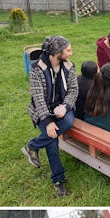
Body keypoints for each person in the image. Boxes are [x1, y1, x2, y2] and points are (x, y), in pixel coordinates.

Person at [22, 35, 78, 197]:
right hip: (42, 111)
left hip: (61, 108)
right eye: (68, 50)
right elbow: (38, 98)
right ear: (56, 52)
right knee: (52, 139)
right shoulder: (36, 69)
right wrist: (47, 121)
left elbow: (74, 90)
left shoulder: (69, 67)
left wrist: (66, 106)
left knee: (68, 122)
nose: (71, 53)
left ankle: (32, 146)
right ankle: (58, 180)